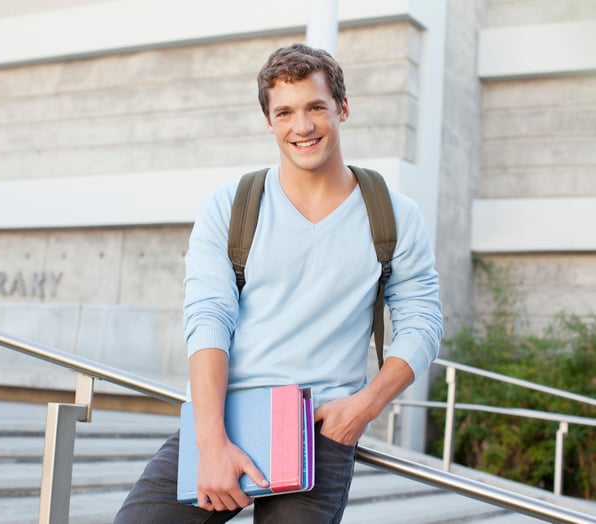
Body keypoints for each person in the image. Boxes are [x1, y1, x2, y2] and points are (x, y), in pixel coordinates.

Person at [114, 42, 443, 524]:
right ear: (269, 122)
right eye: (285, 112)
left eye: (316, 107)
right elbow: (209, 318)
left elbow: (423, 322)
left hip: (320, 427)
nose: (302, 126)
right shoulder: (230, 206)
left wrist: (365, 406)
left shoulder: (393, 214)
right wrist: (211, 441)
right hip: (225, 415)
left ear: (342, 109)